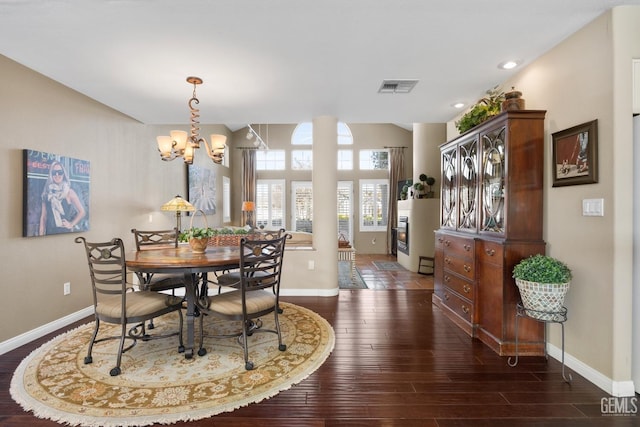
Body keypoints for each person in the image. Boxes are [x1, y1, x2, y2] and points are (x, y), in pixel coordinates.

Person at [39, 161, 86, 235]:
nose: (57, 175)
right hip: (49, 233)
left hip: (64, 233)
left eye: (60, 172)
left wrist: (71, 224)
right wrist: (40, 234)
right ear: (51, 174)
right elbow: (43, 217)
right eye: (54, 172)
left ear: (63, 174)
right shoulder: (47, 193)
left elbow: (82, 212)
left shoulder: (69, 192)